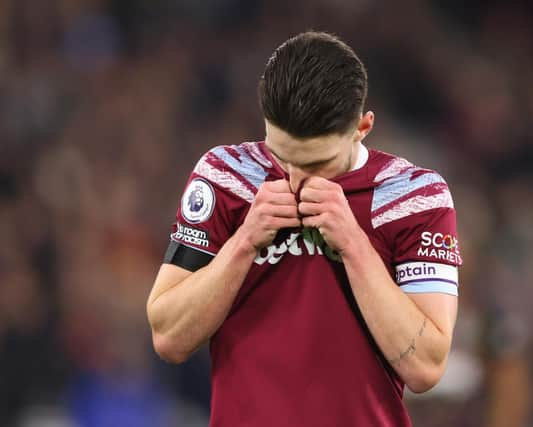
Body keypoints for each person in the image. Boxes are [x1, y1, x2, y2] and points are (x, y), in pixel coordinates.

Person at [146, 31, 462, 426]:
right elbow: (168, 337)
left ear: (362, 128)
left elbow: (426, 367)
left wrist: (354, 244)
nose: (295, 177)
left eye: (317, 163)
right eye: (281, 155)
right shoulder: (226, 176)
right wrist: (244, 241)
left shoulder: (413, 196)